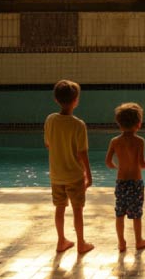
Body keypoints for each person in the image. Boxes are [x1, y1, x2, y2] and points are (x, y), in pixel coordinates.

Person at [44, 79, 95, 254]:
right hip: (74, 176)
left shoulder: (50, 120)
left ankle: (61, 241)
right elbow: (83, 153)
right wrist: (89, 174)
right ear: (76, 100)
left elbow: (48, 144)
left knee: (59, 208)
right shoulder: (78, 125)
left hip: (56, 175)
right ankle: (81, 243)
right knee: (77, 210)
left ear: (56, 100)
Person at [105, 102, 145, 252]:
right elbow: (141, 164)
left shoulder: (115, 141)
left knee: (120, 213)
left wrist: (117, 167)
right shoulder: (140, 141)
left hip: (121, 182)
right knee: (136, 213)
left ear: (119, 124)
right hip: (136, 183)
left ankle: (121, 242)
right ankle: (139, 241)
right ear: (138, 124)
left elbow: (108, 162)